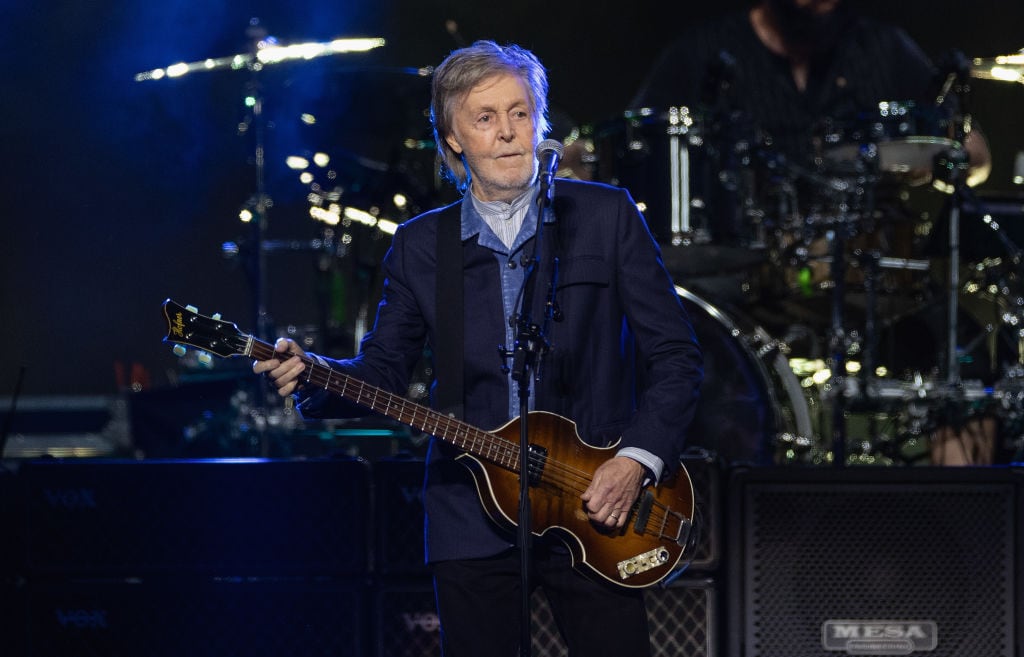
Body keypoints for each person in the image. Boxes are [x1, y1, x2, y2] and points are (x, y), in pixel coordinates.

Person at [254, 40, 703, 656]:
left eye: (520, 113)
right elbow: (383, 371)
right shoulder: (420, 246)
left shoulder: (606, 216)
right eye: (485, 117)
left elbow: (677, 356)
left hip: (598, 500)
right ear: (453, 138)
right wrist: (314, 375)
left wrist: (636, 460)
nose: (508, 132)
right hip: (469, 512)